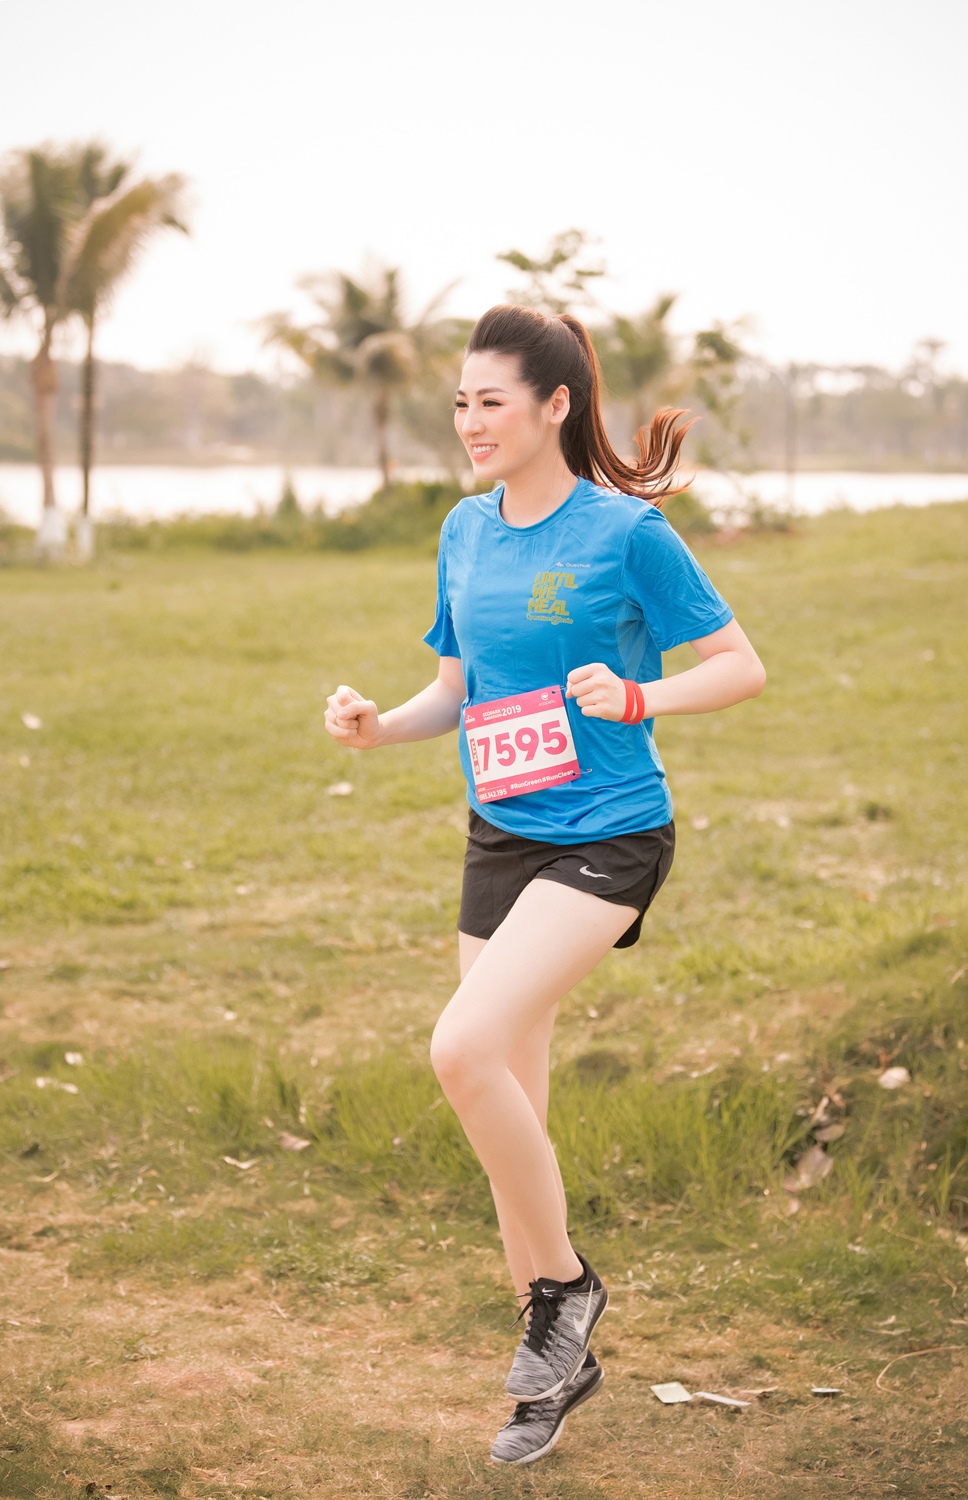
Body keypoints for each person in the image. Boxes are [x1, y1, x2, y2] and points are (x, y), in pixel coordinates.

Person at [324, 304, 765, 1466]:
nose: (470, 422)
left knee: (460, 1049)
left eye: (492, 402)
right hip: (501, 836)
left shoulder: (627, 532)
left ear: (554, 405)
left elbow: (740, 666)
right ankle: (550, 1372)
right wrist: (379, 726)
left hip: (610, 836)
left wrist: (641, 696)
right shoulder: (464, 530)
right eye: (460, 403)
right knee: (506, 1094)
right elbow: (456, 690)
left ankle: (565, 1288)